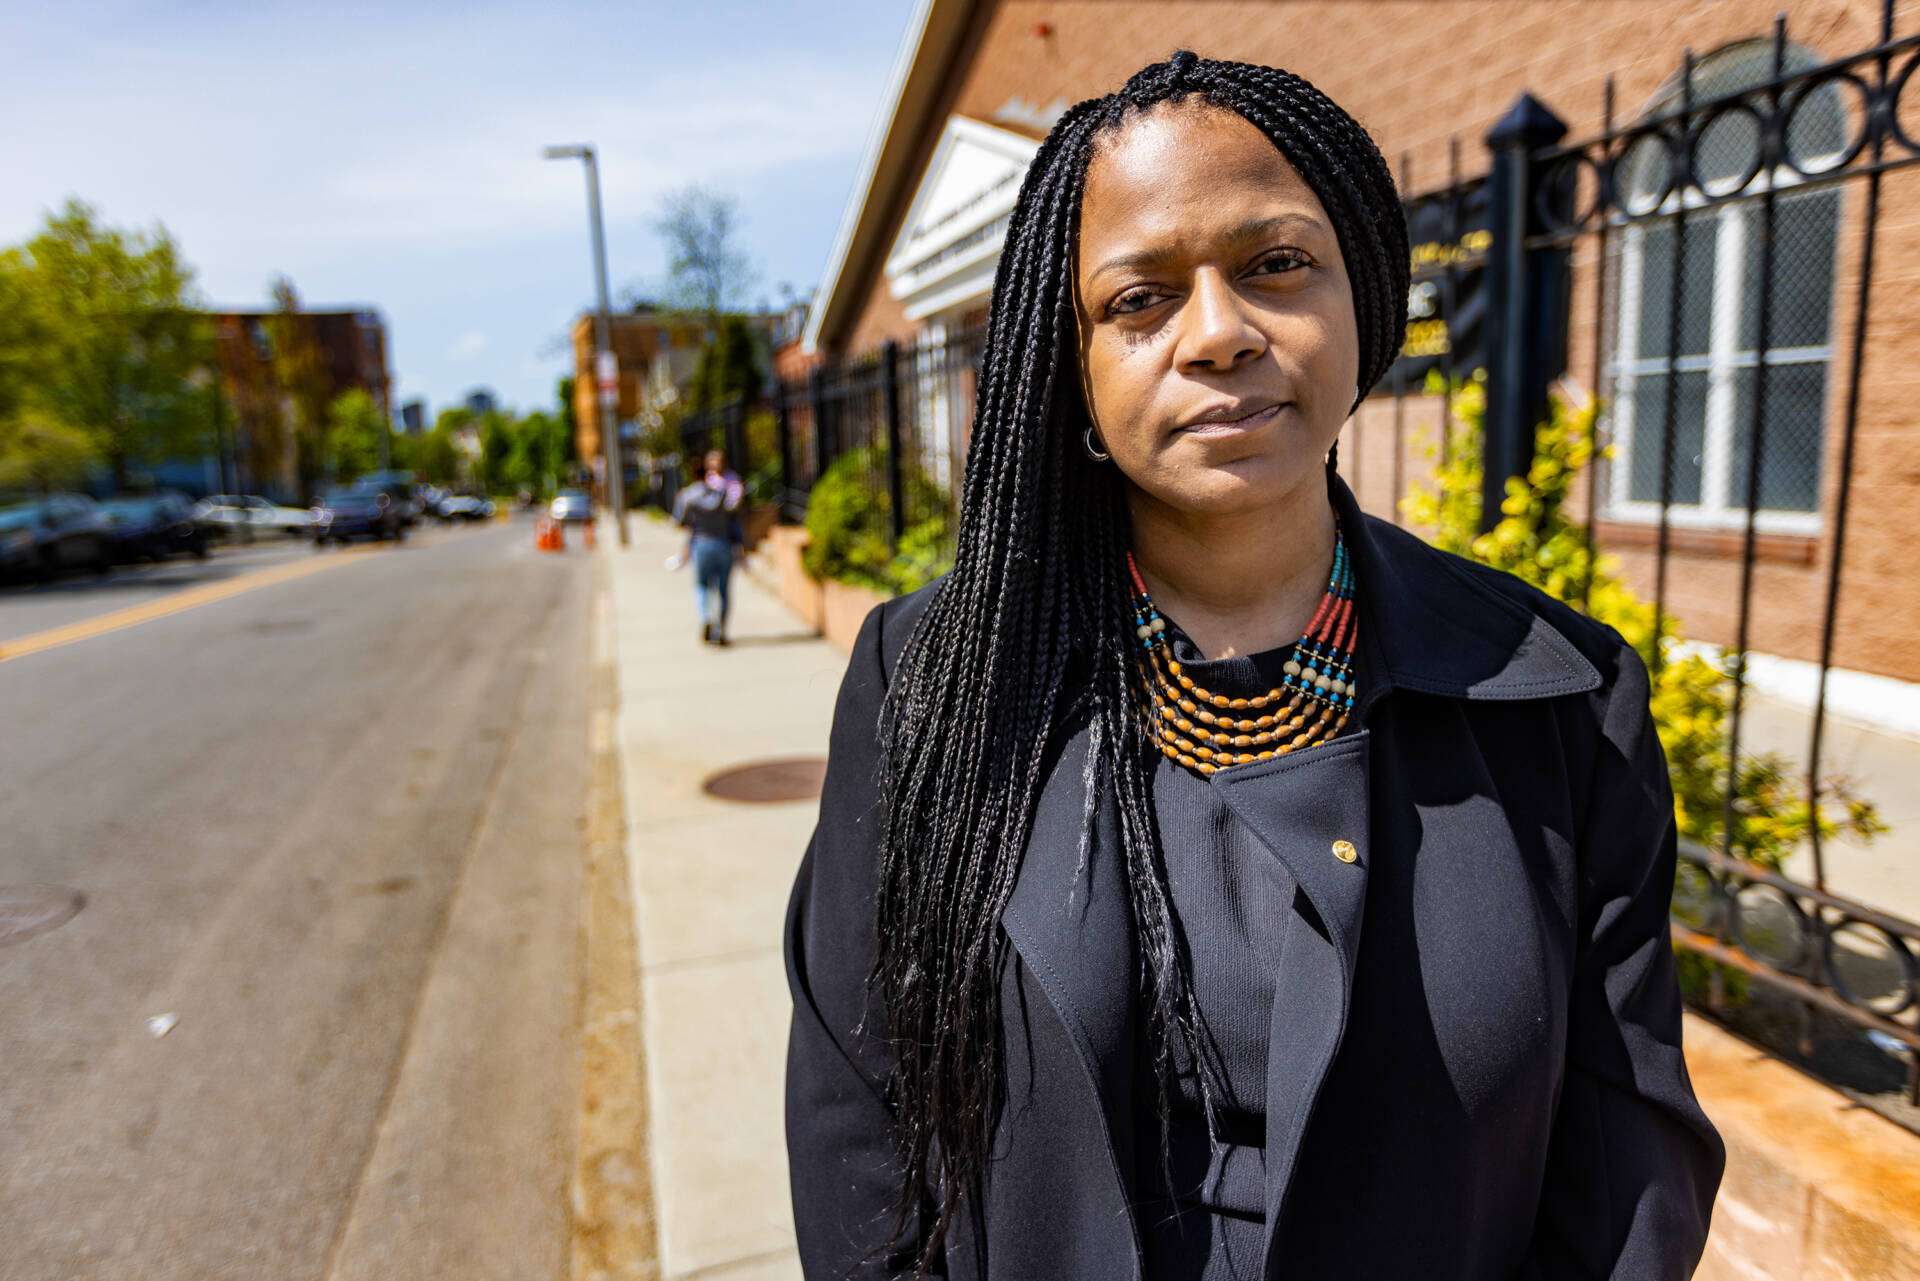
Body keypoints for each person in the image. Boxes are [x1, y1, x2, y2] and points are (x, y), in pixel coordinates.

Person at [783, 52, 1724, 1281]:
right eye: (1139, 298)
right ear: (1071, 362)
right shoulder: (934, 684)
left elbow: (1627, 1174)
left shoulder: (1557, 695)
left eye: (1276, 265)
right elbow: (861, 1122)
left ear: (1361, 299)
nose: (1220, 333)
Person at [671, 449, 745, 645]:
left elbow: (679, 522)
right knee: (723, 590)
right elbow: (733, 515)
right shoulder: (722, 494)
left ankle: (706, 618)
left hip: (700, 545)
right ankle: (721, 629)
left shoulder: (687, 496)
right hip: (723, 544)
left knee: (702, 586)